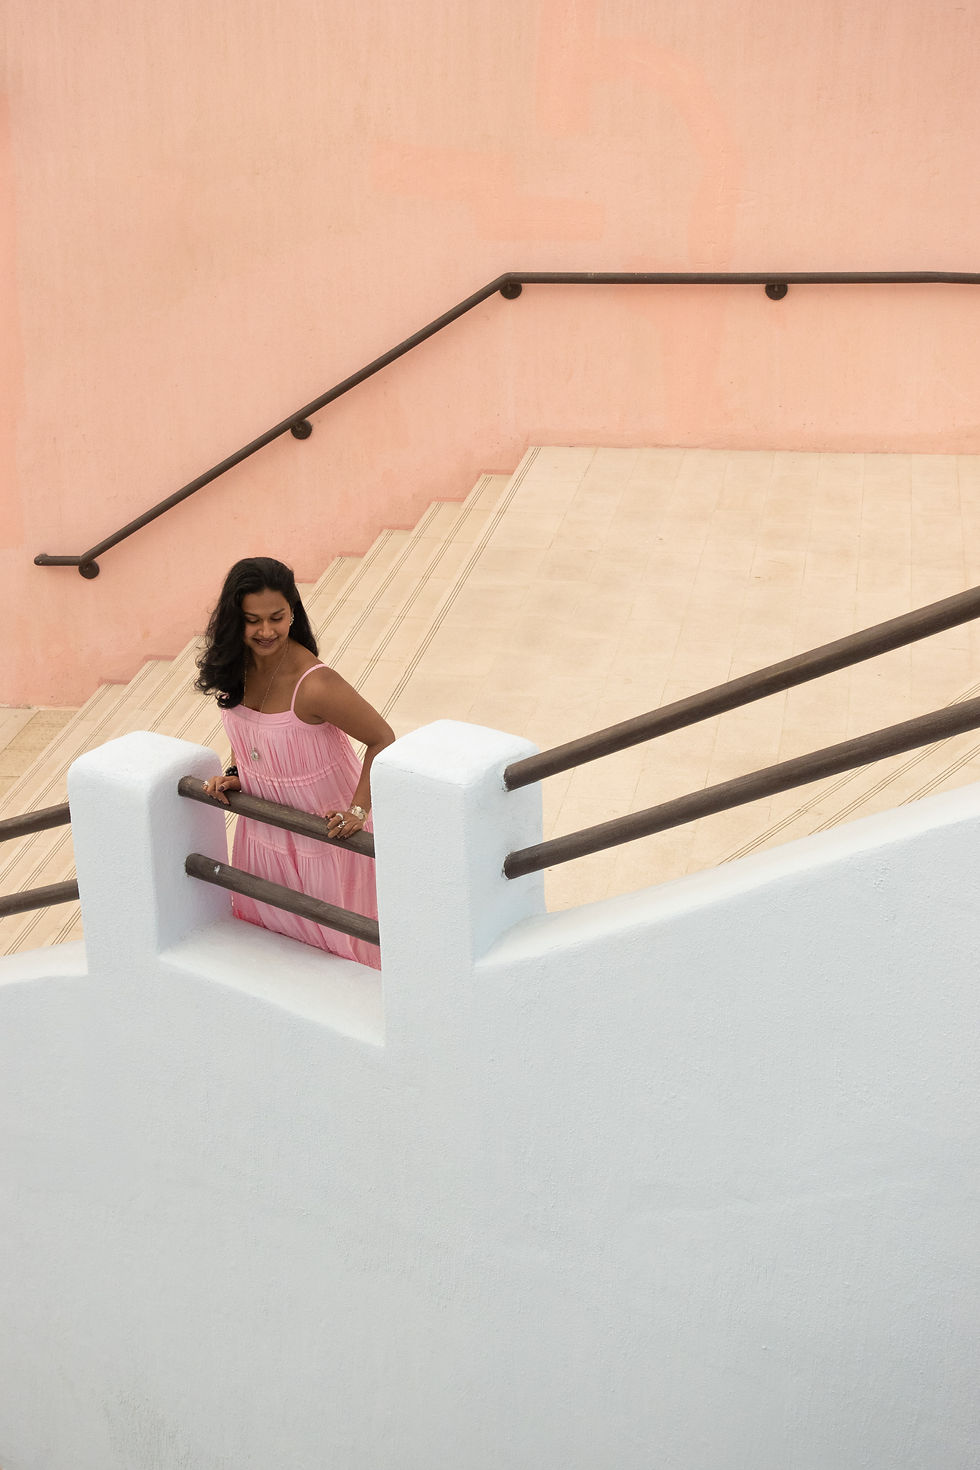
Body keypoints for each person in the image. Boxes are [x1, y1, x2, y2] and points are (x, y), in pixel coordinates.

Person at [195, 556, 394, 970]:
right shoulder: (237, 667)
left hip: (327, 840)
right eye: (253, 620)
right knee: (276, 951)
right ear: (236, 620)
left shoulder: (316, 684)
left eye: (277, 617)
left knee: (342, 956)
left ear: (293, 614)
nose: (266, 631)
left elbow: (382, 739)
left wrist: (359, 810)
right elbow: (249, 731)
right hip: (265, 833)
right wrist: (237, 774)